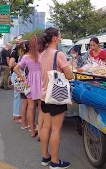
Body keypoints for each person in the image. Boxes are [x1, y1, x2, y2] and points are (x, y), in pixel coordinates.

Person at [39, 27, 73, 169]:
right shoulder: (58, 54)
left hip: (44, 96)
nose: (61, 38)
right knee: (56, 129)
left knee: (46, 127)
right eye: (60, 36)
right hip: (56, 96)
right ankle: (55, 161)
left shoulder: (42, 54)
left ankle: (45, 157)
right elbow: (69, 75)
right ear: (54, 38)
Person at [13, 36, 43, 139]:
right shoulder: (41, 56)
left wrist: (24, 79)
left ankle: (32, 130)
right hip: (41, 81)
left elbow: (16, 68)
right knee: (41, 108)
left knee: (30, 107)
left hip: (29, 81)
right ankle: (40, 129)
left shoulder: (26, 57)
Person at [10, 42, 28, 123]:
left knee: (19, 97)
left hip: (18, 76)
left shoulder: (22, 56)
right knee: (18, 97)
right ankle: (16, 115)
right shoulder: (24, 57)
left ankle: (18, 115)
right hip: (19, 77)